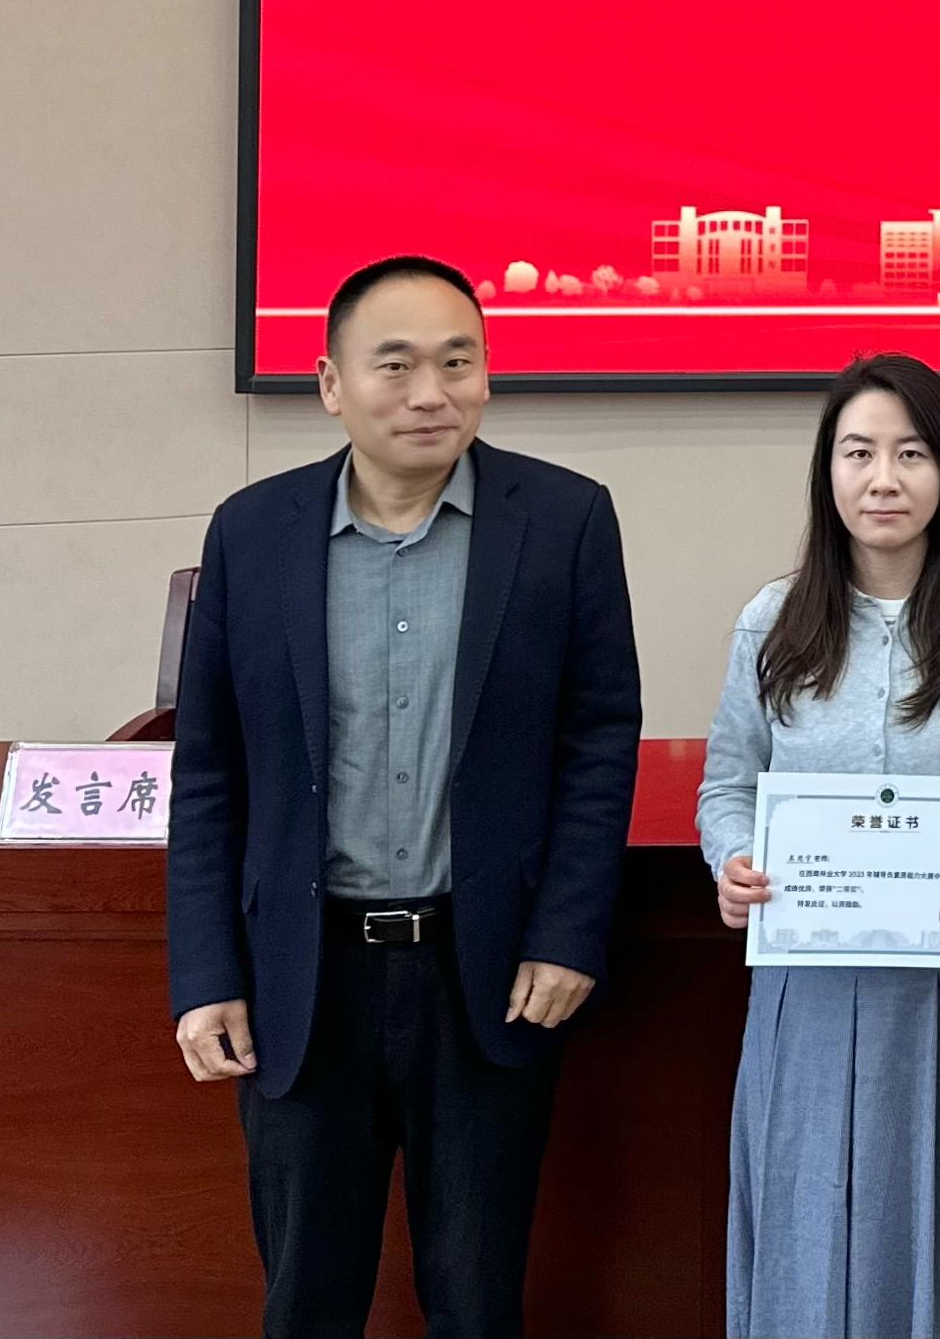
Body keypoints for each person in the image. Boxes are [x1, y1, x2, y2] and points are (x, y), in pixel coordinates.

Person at [167, 255, 643, 1339]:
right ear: (331, 383)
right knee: (307, 1303)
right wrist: (205, 973)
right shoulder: (252, 531)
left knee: (476, 1301)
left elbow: (598, 738)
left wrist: (568, 933)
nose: (432, 391)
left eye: (458, 362)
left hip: (486, 978)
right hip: (302, 980)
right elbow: (209, 769)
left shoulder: (564, 519)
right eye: (396, 364)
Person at [698, 353, 940, 1338]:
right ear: (827, 471)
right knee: (811, 1225)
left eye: (911, 453)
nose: (884, 478)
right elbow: (728, 784)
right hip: (811, 993)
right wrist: (732, 859)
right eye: (859, 452)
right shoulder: (773, 619)